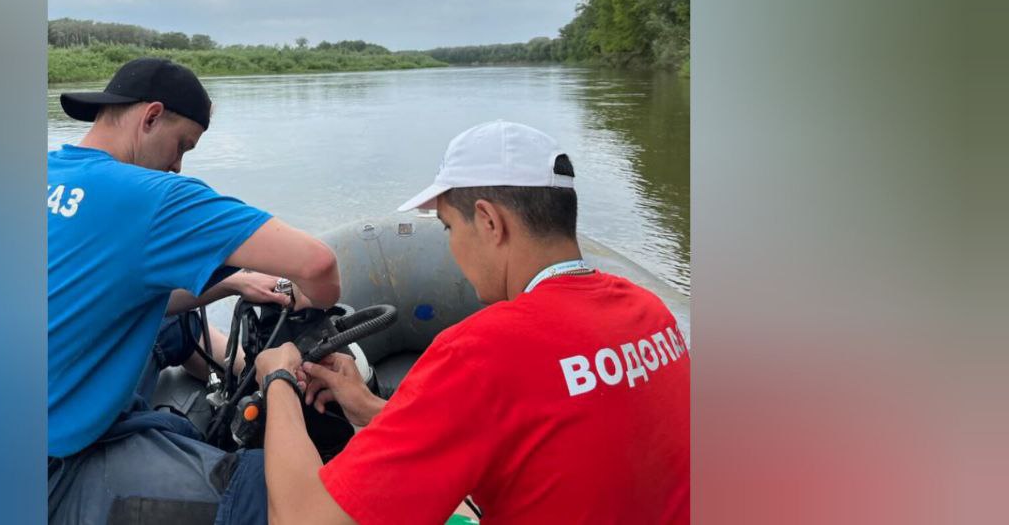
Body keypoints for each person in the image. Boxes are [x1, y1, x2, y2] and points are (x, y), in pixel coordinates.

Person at [254, 120, 690, 524]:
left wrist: (278, 381)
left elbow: (301, 517)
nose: (452, 247)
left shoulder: (484, 350)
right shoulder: (650, 313)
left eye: (447, 228)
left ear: (488, 221)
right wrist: (368, 408)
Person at [48, 57, 341, 523]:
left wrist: (233, 282)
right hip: (53, 470)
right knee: (267, 489)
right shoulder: (151, 196)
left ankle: (244, 369)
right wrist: (312, 311)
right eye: (181, 145)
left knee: (165, 314)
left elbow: (97, 290)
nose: (177, 167)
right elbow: (318, 264)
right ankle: (271, 378)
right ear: (150, 117)